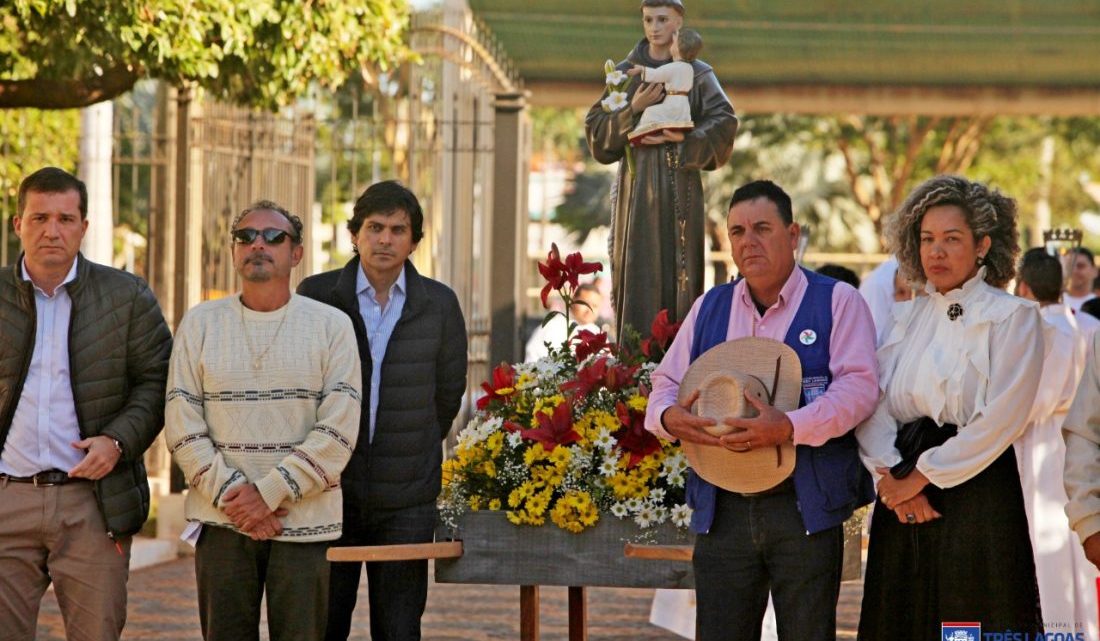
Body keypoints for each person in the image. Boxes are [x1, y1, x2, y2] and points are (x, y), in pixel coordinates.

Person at [644, 179, 879, 641]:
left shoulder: (837, 300)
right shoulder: (709, 306)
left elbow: (860, 389)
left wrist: (789, 427)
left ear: (793, 236)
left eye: (762, 229)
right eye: (737, 232)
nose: (748, 241)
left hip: (803, 506)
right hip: (723, 509)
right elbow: (664, 384)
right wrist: (671, 419)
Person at [856, 175, 1044, 639]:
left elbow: (1002, 418)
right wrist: (895, 477)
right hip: (900, 492)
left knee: (968, 620)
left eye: (951, 239)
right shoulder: (906, 315)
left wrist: (921, 476)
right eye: (926, 239)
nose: (935, 252)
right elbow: (873, 402)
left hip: (976, 492)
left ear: (982, 245)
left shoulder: (1013, 317)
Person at [166, 201, 362, 641]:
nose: (259, 244)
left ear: (296, 254)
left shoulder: (332, 326)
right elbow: (181, 421)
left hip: (305, 520)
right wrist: (236, 498)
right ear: (234, 251)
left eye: (274, 237)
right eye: (246, 236)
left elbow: (339, 429)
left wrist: (269, 493)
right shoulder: (199, 324)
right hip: (223, 519)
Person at [0, 167, 172, 640]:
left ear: (84, 226)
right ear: (18, 224)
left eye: (65, 218)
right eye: (38, 218)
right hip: (6, 499)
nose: (51, 231)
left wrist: (118, 441)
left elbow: (157, 382)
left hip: (95, 505)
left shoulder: (127, 296)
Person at [297, 180, 468, 641]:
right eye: (374, 227)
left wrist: (408, 446)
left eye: (398, 229)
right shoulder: (315, 296)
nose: (385, 239)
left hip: (407, 499)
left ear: (414, 241)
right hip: (329, 491)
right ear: (355, 234)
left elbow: (448, 394)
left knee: (398, 628)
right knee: (321, 624)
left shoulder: (439, 304)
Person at [586, 0, 738, 339]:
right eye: (648, 19)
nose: (655, 27)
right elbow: (597, 132)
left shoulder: (698, 72)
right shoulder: (625, 72)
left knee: (679, 271)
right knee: (636, 268)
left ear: (678, 22)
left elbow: (724, 121)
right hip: (635, 190)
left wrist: (684, 142)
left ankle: (679, 358)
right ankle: (632, 367)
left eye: (663, 19)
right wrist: (633, 110)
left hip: (679, 184)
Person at [1013, 248, 1097, 639]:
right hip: (1070, 441)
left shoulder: (1043, 330)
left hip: (1043, 442)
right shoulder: (1078, 324)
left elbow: (1034, 400)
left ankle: (1052, 626)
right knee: (1065, 542)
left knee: (1044, 536)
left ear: (1024, 286)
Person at [625, 29, 702, 144]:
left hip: (673, 103)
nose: (671, 44)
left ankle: (640, 131)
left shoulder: (674, 67)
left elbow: (656, 75)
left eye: (674, 42)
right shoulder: (689, 68)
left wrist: (641, 69)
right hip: (682, 105)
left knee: (651, 112)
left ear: (678, 48)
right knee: (661, 113)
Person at [525, 282, 603, 361]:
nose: (589, 310)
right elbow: (533, 356)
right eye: (585, 304)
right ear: (573, 301)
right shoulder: (553, 326)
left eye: (595, 306)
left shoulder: (597, 333)